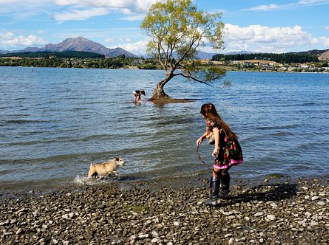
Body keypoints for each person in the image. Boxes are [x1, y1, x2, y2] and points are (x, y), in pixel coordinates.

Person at [196, 103, 243, 206]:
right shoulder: (218, 120)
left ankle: (213, 199)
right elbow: (211, 132)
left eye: (202, 113)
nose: (201, 115)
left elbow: (216, 132)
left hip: (225, 149)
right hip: (233, 147)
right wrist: (202, 137)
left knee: (216, 172)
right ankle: (224, 192)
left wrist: (216, 148)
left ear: (206, 113)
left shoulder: (211, 122)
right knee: (224, 170)